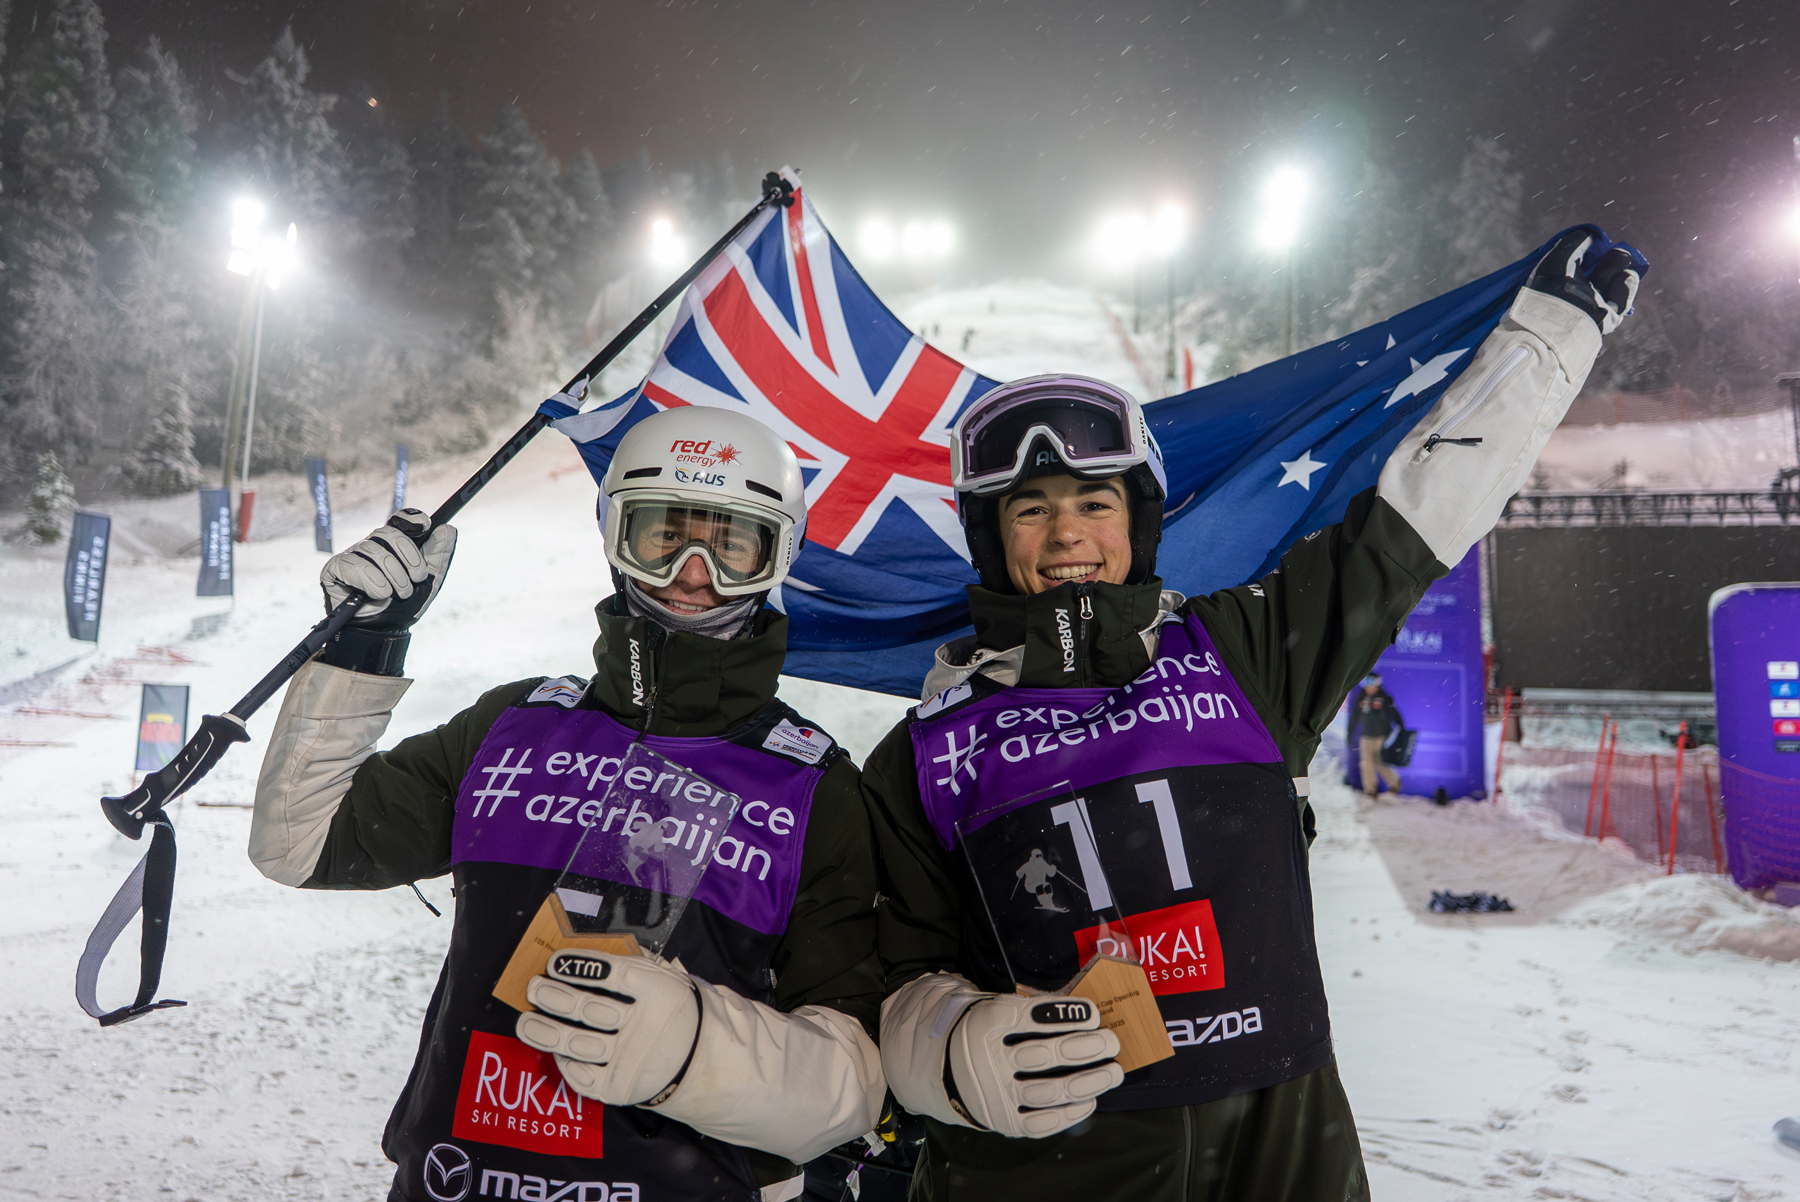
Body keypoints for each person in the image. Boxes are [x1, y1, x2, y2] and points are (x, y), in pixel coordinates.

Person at [863, 231, 1640, 1200]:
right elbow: (884, 985)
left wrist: (1546, 343)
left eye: (1095, 502)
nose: (1066, 534)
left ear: (1137, 524)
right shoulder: (926, 757)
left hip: (1285, 1164)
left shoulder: (1241, 655)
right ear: (991, 536)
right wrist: (956, 1045)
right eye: (1030, 510)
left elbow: (1406, 530)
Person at [249, 406, 884, 1202]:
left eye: (731, 543)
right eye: (662, 535)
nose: (694, 573)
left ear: (776, 556)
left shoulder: (813, 788)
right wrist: (360, 647)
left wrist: (693, 1049)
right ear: (615, 537)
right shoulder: (515, 729)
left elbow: (851, 1087)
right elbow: (300, 843)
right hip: (460, 1182)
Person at [1347, 672, 1404, 798]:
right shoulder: (1361, 697)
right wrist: (1349, 733)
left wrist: (1401, 728)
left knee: (1380, 761)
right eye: (1367, 684)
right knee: (1366, 762)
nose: (1369, 687)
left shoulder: (1384, 697)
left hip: (1382, 736)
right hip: (1366, 736)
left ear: (1378, 685)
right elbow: (1355, 717)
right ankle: (1370, 790)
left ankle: (1395, 782)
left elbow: (1394, 713)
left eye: (1373, 684)